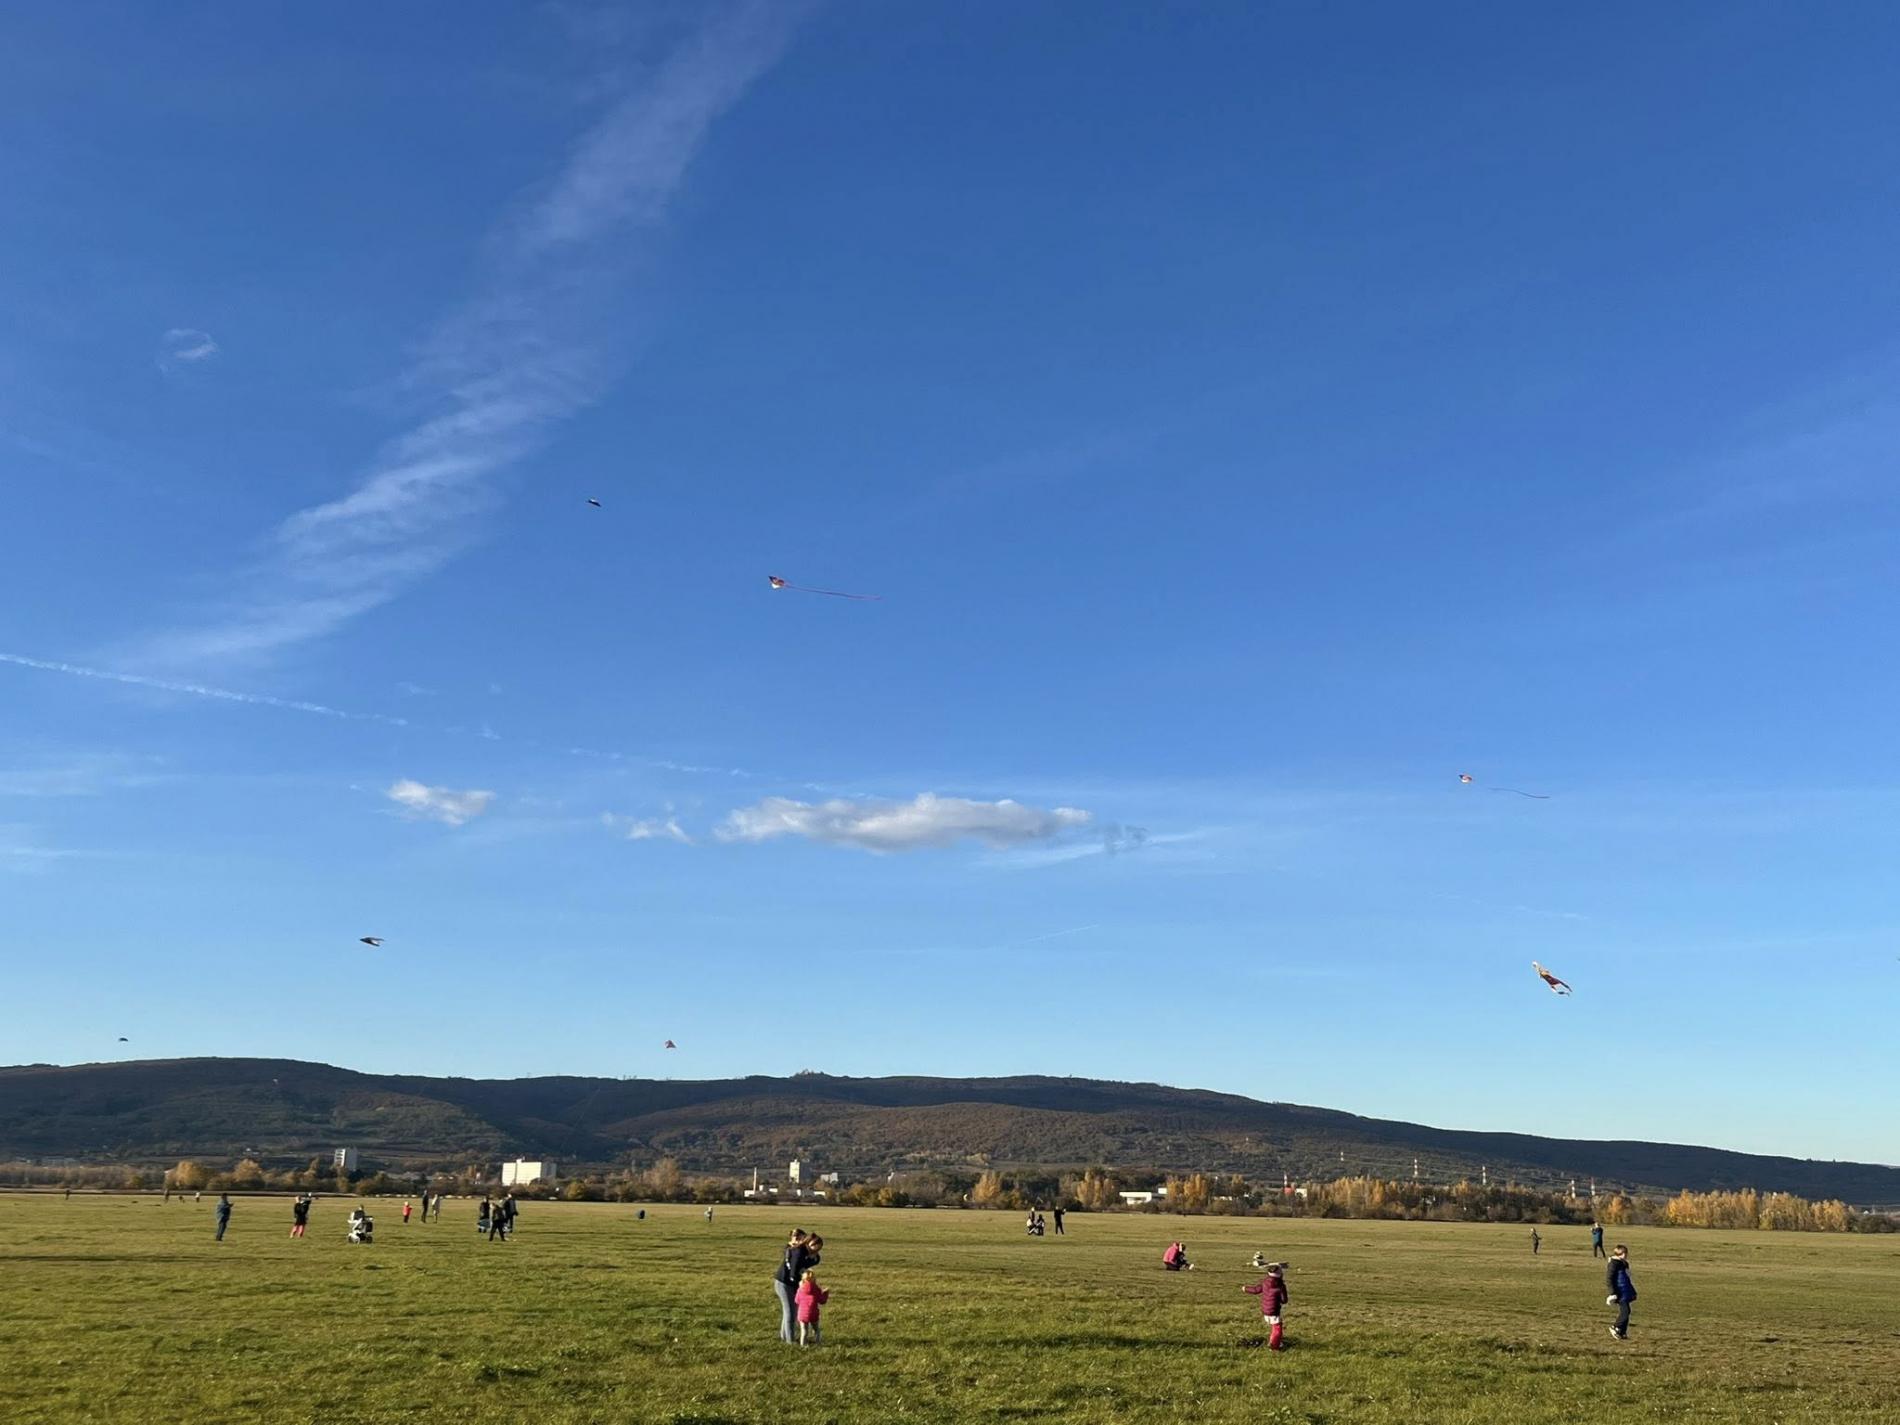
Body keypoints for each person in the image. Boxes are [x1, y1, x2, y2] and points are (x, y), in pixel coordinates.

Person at [774, 1229, 812, 1343]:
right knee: (790, 1312)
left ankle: (784, 1337)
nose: (797, 1239)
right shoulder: (791, 1250)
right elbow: (789, 1253)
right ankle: (790, 1342)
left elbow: (811, 1261)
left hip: (791, 1284)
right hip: (783, 1283)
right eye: (794, 1236)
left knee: (790, 1312)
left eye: (800, 1237)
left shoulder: (802, 1251)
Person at [1241, 1261, 1290, 1350]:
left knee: (1273, 1326)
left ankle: (1275, 1341)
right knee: (1277, 1328)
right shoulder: (1281, 1286)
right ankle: (1274, 1346)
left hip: (1265, 1310)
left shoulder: (1265, 1282)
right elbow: (1284, 1300)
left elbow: (1256, 1290)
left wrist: (1245, 1289)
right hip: (1274, 1310)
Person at [1606, 1245, 1637, 1340]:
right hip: (1619, 1291)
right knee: (1626, 1311)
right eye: (1625, 1253)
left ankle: (1622, 1332)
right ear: (1622, 1254)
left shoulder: (1623, 1263)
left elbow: (1627, 1278)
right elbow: (1609, 1279)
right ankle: (1616, 1327)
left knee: (1627, 1311)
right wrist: (1612, 1293)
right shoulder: (1614, 1264)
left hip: (1625, 1290)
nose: (1626, 1255)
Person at [795, 1268, 830, 1347]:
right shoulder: (816, 1289)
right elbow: (822, 1301)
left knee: (804, 1331)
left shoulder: (800, 1289)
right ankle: (818, 1343)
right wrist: (825, 1293)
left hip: (802, 1314)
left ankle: (803, 1345)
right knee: (816, 1330)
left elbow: (796, 1300)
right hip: (813, 1313)